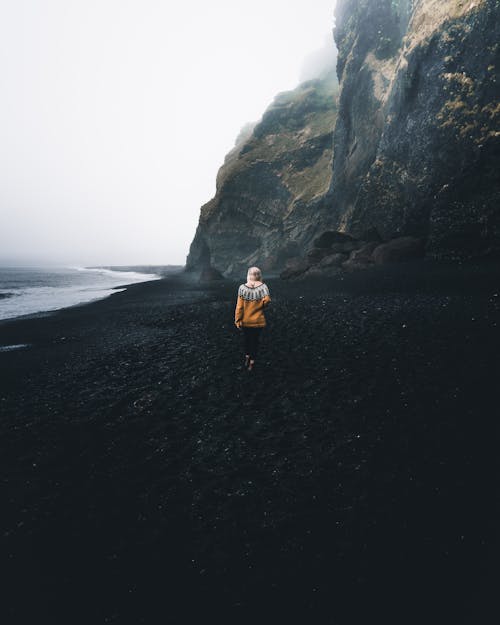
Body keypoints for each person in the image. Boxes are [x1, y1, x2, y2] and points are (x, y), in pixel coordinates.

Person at [234, 266, 271, 371]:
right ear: (259, 275)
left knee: (247, 340)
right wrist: (260, 306)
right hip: (258, 320)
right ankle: (252, 363)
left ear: (248, 275)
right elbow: (267, 300)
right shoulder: (263, 287)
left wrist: (237, 320)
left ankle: (246, 358)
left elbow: (239, 307)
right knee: (255, 341)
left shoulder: (242, 288)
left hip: (246, 321)